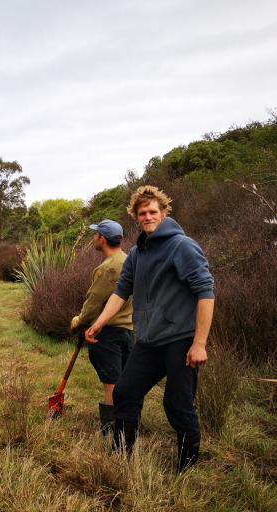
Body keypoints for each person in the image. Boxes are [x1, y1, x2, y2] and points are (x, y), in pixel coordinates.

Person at [86, 186, 215, 473]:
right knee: (125, 392)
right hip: (149, 340)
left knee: (177, 405)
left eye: (153, 211)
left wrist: (200, 343)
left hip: (181, 340)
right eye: (142, 213)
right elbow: (121, 292)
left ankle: (187, 467)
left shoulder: (182, 246)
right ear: (135, 216)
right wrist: (99, 322)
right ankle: (121, 457)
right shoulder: (137, 254)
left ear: (164, 212)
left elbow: (206, 292)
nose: (147, 216)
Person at [70, 219, 134, 435]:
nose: (93, 238)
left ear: (102, 239)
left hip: (107, 333)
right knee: (125, 381)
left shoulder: (107, 268)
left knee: (112, 383)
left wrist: (79, 321)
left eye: (95, 234)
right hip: (128, 330)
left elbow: (93, 301)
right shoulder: (128, 260)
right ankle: (127, 425)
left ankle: (112, 431)